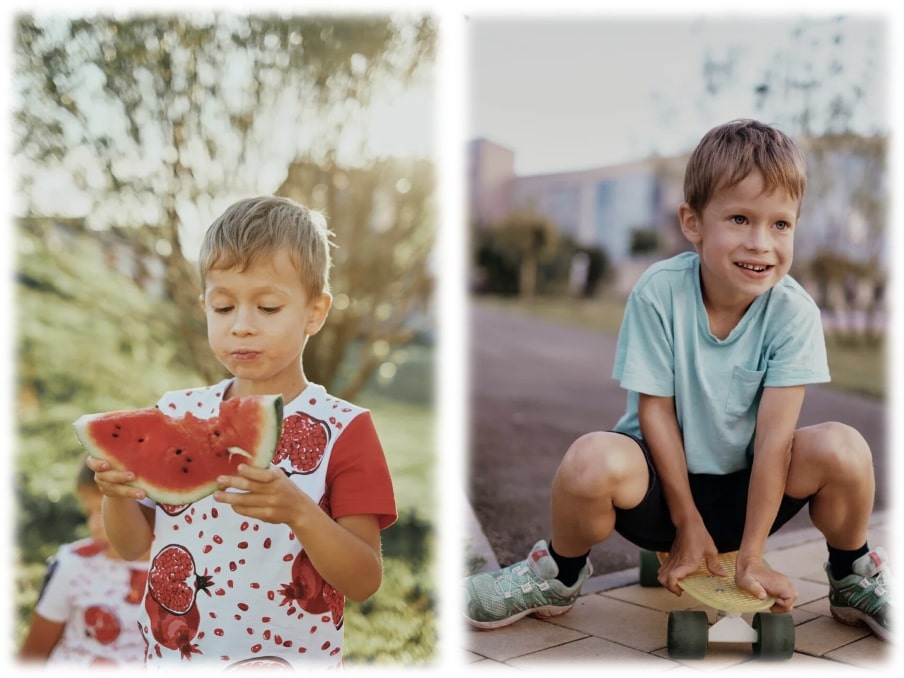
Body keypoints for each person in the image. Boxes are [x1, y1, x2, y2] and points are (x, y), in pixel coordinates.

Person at [463, 119, 890, 642]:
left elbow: (775, 443)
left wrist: (751, 555)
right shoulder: (659, 292)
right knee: (589, 460)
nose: (761, 243)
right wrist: (686, 524)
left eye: (781, 225)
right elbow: (655, 412)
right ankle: (559, 573)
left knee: (845, 447)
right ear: (693, 223)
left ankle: (851, 575)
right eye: (739, 218)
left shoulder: (794, 312)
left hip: (751, 492)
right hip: (662, 495)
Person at [87, 196, 397, 668]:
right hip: (176, 657)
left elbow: (364, 580)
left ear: (315, 312)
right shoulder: (175, 410)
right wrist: (117, 492)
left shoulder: (345, 428)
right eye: (224, 306)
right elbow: (132, 545)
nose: (242, 326)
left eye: (268, 307)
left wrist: (300, 513)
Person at [18, 462, 150, 665]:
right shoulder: (73, 564)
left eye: (103, 509)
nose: (93, 524)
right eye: (88, 512)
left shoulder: (178, 569)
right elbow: (33, 654)